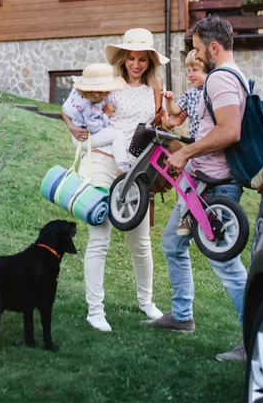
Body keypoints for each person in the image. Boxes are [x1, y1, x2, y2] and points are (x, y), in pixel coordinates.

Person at [141, 15, 249, 363]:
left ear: (214, 47)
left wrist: (185, 151)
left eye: (200, 49)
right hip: (199, 183)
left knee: (228, 266)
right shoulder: (229, 78)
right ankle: (182, 315)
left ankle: (256, 339)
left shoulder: (220, 79)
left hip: (217, 190)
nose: (198, 56)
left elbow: (230, 131)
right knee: (173, 242)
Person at [60, 28, 169, 333]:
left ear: (150, 62)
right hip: (101, 159)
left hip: (136, 170)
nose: (136, 64)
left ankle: (146, 302)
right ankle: (95, 310)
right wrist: (71, 127)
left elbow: (159, 125)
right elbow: (71, 105)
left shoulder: (156, 89)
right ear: (123, 58)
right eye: (131, 58)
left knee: (141, 241)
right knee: (100, 237)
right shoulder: (107, 82)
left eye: (142, 60)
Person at [161, 49, 214, 236]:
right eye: (189, 70)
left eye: (196, 70)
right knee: (187, 180)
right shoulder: (191, 94)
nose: (191, 75)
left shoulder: (214, 92)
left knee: (190, 180)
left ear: (209, 72)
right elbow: (175, 110)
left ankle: (187, 215)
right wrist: (169, 102)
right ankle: (186, 215)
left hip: (208, 145)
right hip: (195, 145)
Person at [61, 63, 131, 172]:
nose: (103, 99)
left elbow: (65, 108)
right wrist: (106, 114)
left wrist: (70, 126)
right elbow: (96, 128)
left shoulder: (78, 91)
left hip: (78, 134)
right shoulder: (88, 107)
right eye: (99, 97)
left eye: (106, 94)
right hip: (84, 138)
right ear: (87, 93)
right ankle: (124, 167)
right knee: (117, 135)